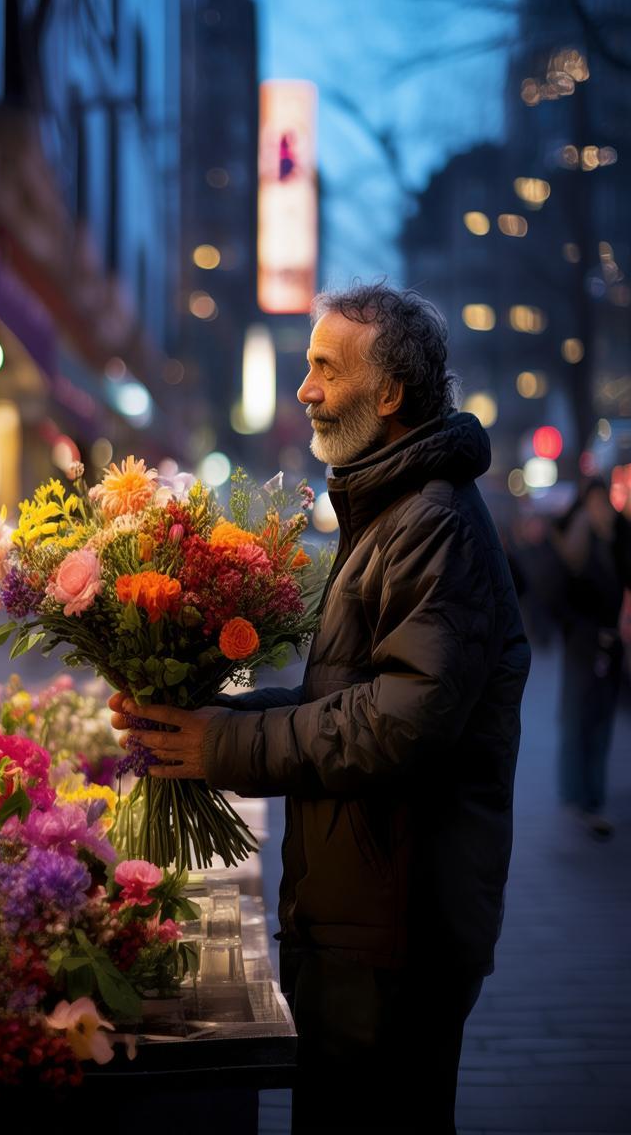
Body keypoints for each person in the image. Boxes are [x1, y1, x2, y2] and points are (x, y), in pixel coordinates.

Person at [110, 282, 530, 1134]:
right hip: (359, 907)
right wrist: (200, 714)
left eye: (324, 370)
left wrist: (223, 745)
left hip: (396, 925)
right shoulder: (390, 508)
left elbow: (398, 726)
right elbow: (341, 699)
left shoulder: (431, 522)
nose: (304, 389)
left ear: (389, 393)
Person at [550, 475, 631, 840]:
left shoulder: (618, 537)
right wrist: (584, 630)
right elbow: (560, 597)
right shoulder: (578, 539)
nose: (602, 509)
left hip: (611, 645)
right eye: (596, 501)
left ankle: (593, 796)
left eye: (605, 501)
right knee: (577, 718)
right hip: (582, 645)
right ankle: (576, 794)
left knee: (601, 721)